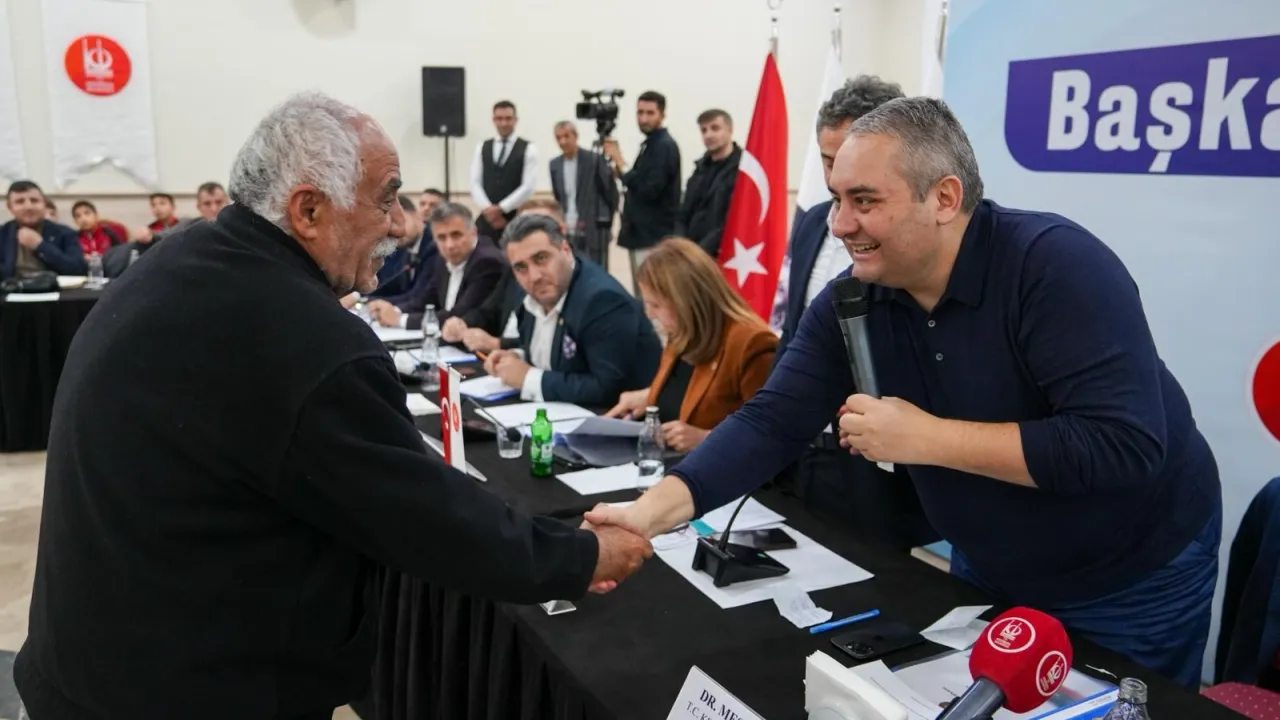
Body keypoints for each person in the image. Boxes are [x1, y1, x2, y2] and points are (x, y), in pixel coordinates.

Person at [14, 91, 652, 720]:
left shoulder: (182, 260)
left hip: (92, 661)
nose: (399, 224)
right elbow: (424, 518)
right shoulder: (303, 336)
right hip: (187, 689)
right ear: (309, 210)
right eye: (386, 199)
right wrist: (580, 557)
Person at [585, 97, 1223, 689]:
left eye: (864, 200)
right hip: (991, 566)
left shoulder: (1054, 266)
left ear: (944, 197)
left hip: (1130, 576)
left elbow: (1120, 444)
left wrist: (927, 439)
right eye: (836, 198)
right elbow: (773, 420)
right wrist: (647, 515)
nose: (840, 224)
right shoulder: (854, 297)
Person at [776, 76, 936, 551]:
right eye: (827, 160)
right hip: (807, 454)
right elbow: (792, 334)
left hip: (881, 467)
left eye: (846, 158)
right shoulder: (810, 223)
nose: (834, 176)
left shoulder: (911, 240)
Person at [606, 238, 776, 453]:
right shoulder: (681, 331)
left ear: (686, 302)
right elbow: (687, 389)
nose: (649, 314)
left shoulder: (752, 344)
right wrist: (650, 397)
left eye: (656, 305)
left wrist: (705, 438)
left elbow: (769, 433)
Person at [482, 213, 661, 406]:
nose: (534, 276)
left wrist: (528, 378)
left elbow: (606, 389)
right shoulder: (527, 291)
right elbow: (553, 351)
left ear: (566, 250)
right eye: (520, 267)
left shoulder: (602, 301)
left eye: (541, 258)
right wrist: (517, 357)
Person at [442, 198, 562, 354]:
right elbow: (489, 311)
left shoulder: (567, 278)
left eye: (539, 227)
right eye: (522, 228)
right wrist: (462, 324)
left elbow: (547, 341)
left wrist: (499, 344)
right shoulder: (514, 269)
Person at [366, 202, 505, 330]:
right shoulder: (442, 258)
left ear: (473, 232)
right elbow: (426, 300)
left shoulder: (487, 262)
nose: (449, 245)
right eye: (441, 237)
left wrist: (400, 320)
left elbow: (459, 316)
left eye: (456, 235)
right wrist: (393, 311)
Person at [603, 91, 681, 290]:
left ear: (662, 115)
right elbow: (640, 181)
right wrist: (620, 171)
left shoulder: (663, 146)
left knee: (652, 294)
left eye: (650, 113)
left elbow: (649, 190)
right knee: (643, 294)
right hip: (640, 235)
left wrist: (621, 161)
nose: (644, 119)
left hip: (653, 238)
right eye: (640, 113)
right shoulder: (650, 145)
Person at [549, 120, 617, 267]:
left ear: (576, 136)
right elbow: (558, 197)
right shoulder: (554, 165)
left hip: (593, 229)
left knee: (596, 270)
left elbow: (610, 194)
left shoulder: (594, 160)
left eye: (566, 136)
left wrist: (606, 224)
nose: (562, 141)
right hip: (568, 229)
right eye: (558, 137)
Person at [675, 109, 740, 258]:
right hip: (690, 255)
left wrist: (700, 251)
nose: (708, 135)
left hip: (721, 255)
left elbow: (731, 221)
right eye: (703, 130)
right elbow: (683, 214)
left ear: (730, 130)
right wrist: (681, 246)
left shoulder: (741, 171)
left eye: (715, 128)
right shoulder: (700, 169)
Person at [470, 100, 538, 241]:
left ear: (515, 120)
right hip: (486, 219)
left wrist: (501, 208)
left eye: (508, 119)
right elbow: (475, 182)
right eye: (499, 119)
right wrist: (489, 210)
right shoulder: (482, 147)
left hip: (515, 218)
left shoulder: (529, 148)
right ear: (494, 120)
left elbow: (528, 186)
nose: (504, 123)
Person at [1, 180, 87, 279]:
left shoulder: (65, 233)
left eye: (34, 201)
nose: (28, 207)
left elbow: (80, 270)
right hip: (11, 287)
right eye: (20, 202)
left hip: (53, 287)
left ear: (44, 204)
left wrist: (41, 246)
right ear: (10, 207)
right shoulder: (3, 233)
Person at [368, 195, 425, 299]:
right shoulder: (406, 249)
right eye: (390, 226)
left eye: (402, 221)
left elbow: (419, 297)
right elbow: (390, 288)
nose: (396, 231)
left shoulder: (435, 246)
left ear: (416, 215)